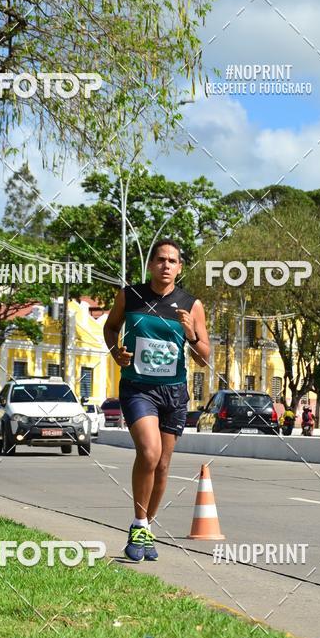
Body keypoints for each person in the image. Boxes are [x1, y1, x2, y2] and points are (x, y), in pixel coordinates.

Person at [104, 239, 210, 562]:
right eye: (161, 259)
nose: (166, 265)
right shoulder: (130, 296)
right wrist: (115, 351)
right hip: (138, 388)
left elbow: (204, 358)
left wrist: (191, 333)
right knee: (149, 453)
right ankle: (138, 523)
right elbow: (110, 328)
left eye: (173, 261)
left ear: (179, 268)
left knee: (163, 465)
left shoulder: (191, 305)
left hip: (174, 392)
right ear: (151, 264)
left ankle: (146, 528)